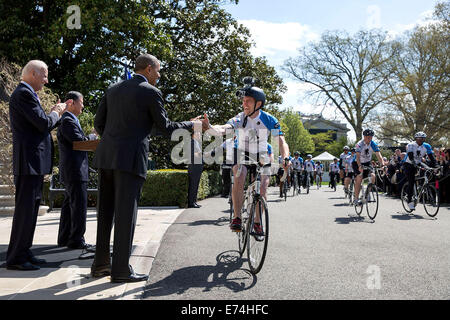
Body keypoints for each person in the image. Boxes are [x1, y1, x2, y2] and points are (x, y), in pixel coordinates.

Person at [91, 54, 206, 283]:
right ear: (150, 69)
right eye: (159, 70)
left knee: (104, 213)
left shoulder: (113, 89)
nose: (160, 75)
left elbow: (98, 123)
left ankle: (100, 265)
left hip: (106, 158)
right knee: (126, 215)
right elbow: (165, 128)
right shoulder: (150, 92)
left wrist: (115, 141)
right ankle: (121, 270)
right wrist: (191, 125)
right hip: (130, 160)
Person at [204, 77, 290, 232]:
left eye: (248, 101)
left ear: (259, 104)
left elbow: (282, 142)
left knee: (263, 186)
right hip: (242, 151)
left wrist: (285, 157)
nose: (244, 104)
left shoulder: (269, 119)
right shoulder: (239, 117)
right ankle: (237, 217)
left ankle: (257, 222)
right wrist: (210, 127)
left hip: (262, 153)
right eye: (243, 101)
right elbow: (224, 129)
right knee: (239, 174)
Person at [7, 60, 68, 270]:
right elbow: (43, 123)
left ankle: (24, 251)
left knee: (31, 210)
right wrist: (57, 112)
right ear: (32, 73)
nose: (47, 80)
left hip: (32, 163)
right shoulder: (23, 93)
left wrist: (52, 113)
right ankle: (16, 258)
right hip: (28, 163)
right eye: (44, 75)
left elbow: (40, 121)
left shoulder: (27, 93)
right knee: (25, 211)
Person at [56, 91, 97, 250]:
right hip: (75, 171)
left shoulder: (68, 120)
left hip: (72, 170)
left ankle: (65, 237)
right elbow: (79, 143)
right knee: (78, 206)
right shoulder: (67, 121)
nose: (83, 106)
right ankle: (76, 240)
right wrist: (93, 138)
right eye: (81, 102)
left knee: (69, 206)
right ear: (71, 103)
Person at [403, 131, 437, 211]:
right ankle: (409, 200)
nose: (421, 140)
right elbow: (411, 156)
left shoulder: (427, 146)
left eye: (423, 139)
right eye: (419, 139)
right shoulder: (411, 145)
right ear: (416, 139)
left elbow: (431, 157)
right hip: (408, 163)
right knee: (411, 181)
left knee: (428, 169)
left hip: (419, 162)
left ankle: (422, 187)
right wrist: (414, 164)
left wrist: (436, 166)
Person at [352, 129, 387, 206]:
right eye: (368, 137)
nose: (369, 139)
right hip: (357, 162)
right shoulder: (359, 144)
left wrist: (383, 165)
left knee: (373, 176)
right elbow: (357, 157)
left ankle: (367, 195)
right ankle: (356, 198)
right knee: (359, 178)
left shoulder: (373, 144)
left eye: (371, 137)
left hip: (367, 162)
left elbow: (379, 155)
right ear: (364, 137)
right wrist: (359, 166)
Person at [187, 130, 203, 208]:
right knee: (193, 185)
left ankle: (194, 201)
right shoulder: (192, 143)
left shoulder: (196, 143)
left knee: (195, 185)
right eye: (198, 134)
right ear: (193, 135)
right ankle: (191, 203)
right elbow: (194, 155)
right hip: (194, 167)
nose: (199, 135)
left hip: (197, 166)